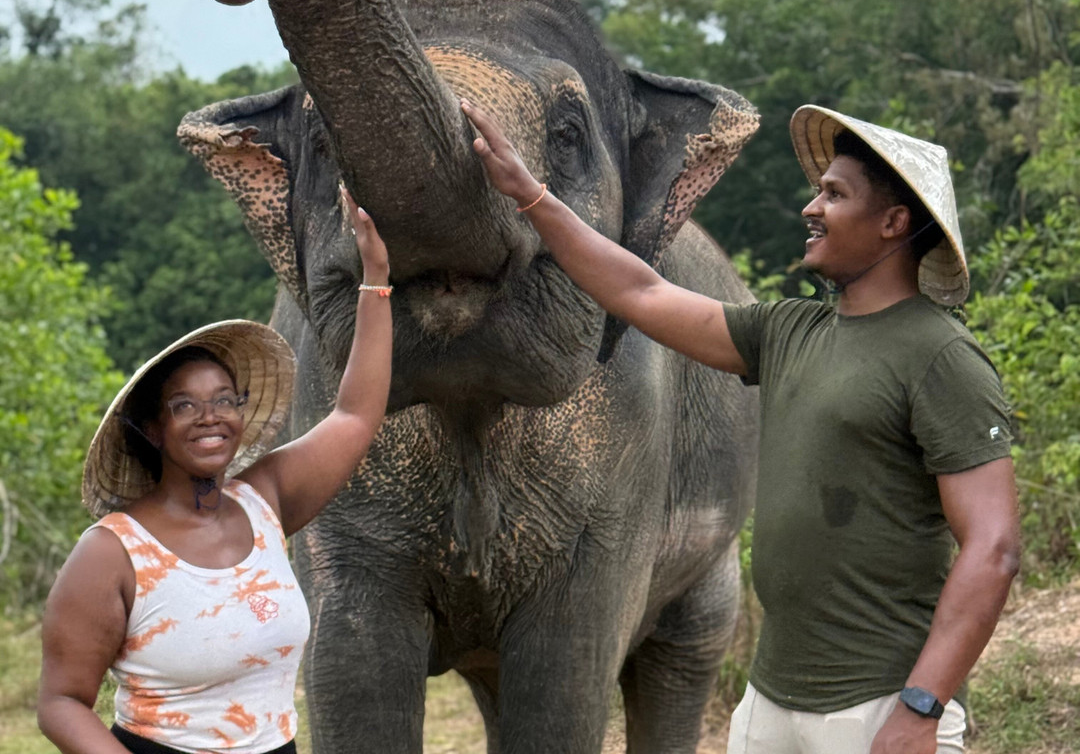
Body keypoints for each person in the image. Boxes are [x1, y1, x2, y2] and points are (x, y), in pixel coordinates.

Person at [460, 98, 1020, 754]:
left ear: (894, 222)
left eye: (834, 195)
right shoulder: (788, 331)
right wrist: (532, 197)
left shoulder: (941, 356)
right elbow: (641, 293)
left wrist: (922, 707)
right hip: (773, 701)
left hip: (881, 704)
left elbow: (995, 547)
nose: (811, 209)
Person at [37, 186, 392, 754]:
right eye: (185, 405)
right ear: (153, 429)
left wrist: (375, 276)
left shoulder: (266, 500)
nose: (211, 418)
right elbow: (60, 702)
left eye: (225, 400)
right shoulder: (114, 553)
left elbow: (355, 413)